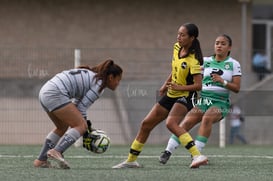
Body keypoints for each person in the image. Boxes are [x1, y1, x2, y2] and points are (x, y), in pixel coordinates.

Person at [112, 23, 208, 169]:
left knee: (171, 123)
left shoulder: (194, 61)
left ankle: (197, 155)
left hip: (187, 96)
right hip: (171, 93)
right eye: (178, 34)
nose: (179, 37)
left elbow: (199, 85)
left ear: (192, 38)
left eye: (183, 35)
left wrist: (179, 87)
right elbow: (174, 69)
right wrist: (165, 84)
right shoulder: (177, 48)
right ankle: (131, 160)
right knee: (146, 124)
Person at [159, 34, 242, 164]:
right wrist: (166, 84)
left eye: (223, 44)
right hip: (203, 100)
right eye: (217, 43)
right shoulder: (205, 61)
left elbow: (237, 88)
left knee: (207, 118)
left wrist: (222, 81)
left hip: (220, 102)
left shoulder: (234, 64)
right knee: (186, 122)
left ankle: (196, 155)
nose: (219, 46)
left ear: (229, 47)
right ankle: (167, 151)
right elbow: (182, 69)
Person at [33, 59, 123, 169]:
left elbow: (76, 105)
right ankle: (57, 151)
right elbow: (81, 108)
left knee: (61, 127)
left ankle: (41, 160)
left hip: (45, 91)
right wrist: (85, 129)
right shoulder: (99, 84)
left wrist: (85, 127)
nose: (118, 83)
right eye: (118, 79)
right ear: (111, 77)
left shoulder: (92, 77)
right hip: (55, 93)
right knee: (81, 126)